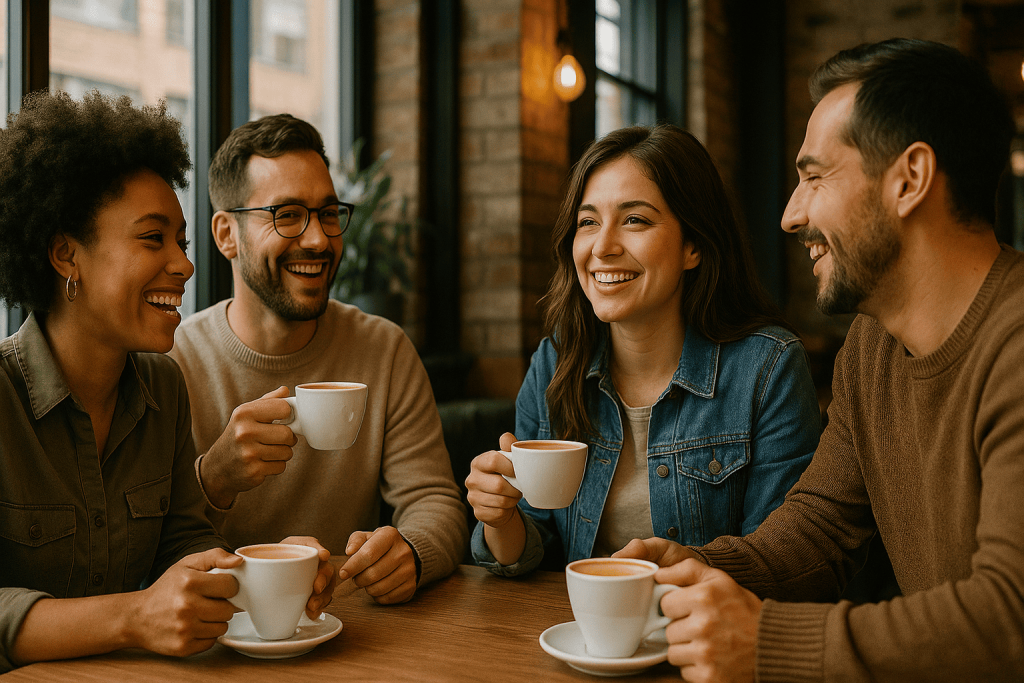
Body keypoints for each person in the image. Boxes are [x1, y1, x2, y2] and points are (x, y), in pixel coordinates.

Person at [617, 38, 1024, 683]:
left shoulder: (1016, 344)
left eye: (813, 177)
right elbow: (821, 527)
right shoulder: (874, 345)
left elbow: (1009, 620)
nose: (789, 215)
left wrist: (764, 642)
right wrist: (703, 567)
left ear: (909, 179)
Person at [0, 91, 334, 673]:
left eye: (180, 240)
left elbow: (183, 549)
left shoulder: (163, 387)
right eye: (153, 239)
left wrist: (271, 573)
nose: (184, 265)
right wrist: (134, 616)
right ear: (64, 253)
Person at [465, 124, 822, 575]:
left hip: (704, 637)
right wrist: (500, 518)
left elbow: (782, 561)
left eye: (634, 219)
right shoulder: (554, 364)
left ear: (693, 245)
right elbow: (539, 543)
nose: (603, 247)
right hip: (579, 636)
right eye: (588, 222)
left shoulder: (766, 368)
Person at [168, 114, 468, 605]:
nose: (317, 239)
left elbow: (432, 500)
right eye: (287, 214)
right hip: (216, 632)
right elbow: (139, 547)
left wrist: (413, 551)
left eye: (328, 213)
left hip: (354, 628)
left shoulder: (384, 349)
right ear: (226, 235)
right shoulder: (174, 362)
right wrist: (214, 479)